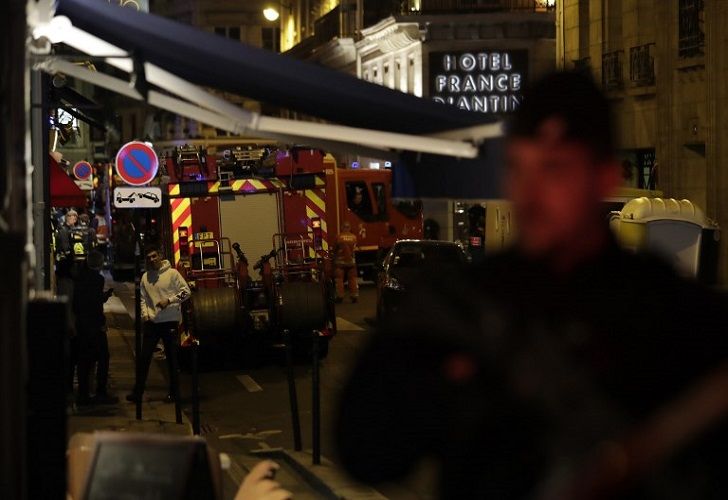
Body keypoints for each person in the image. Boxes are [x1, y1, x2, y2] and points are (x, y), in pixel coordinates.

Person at [336, 71, 728, 499]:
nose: (531, 193)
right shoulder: (465, 302)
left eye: (554, 169)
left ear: (604, 177)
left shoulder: (673, 313)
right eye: (518, 168)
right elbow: (365, 452)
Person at [127, 245, 190, 403]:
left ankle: (174, 393)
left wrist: (169, 301)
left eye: (154, 256)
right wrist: (145, 315)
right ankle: (138, 392)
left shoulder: (172, 274)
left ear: (160, 256)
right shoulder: (145, 277)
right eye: (149, 257)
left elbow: (186, 291)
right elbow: (143, 298)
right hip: (153, 322)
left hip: (169, 320)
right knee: (144, 358)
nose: (152, 260)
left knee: (172, 359)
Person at [73, 250, 116, 405]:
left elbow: (81, 302)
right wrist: (101, 324)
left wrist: (104, 296)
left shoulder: (79, 278)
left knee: (84, 359)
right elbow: (95, 304)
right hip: (94, 325)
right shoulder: (97, 279)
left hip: (81, 325)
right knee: (103, 358)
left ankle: (83, 393)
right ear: (99, 263)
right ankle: (100, 392)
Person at [333, 221, 358, 303]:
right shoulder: (354, 237)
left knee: (339, 279)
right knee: (352, 279)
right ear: (349, 228)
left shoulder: (338, 237)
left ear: (342, 228)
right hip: (351, 262)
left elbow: (335, 249)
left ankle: (340, 296)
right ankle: (354, 296)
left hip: (340, 263)